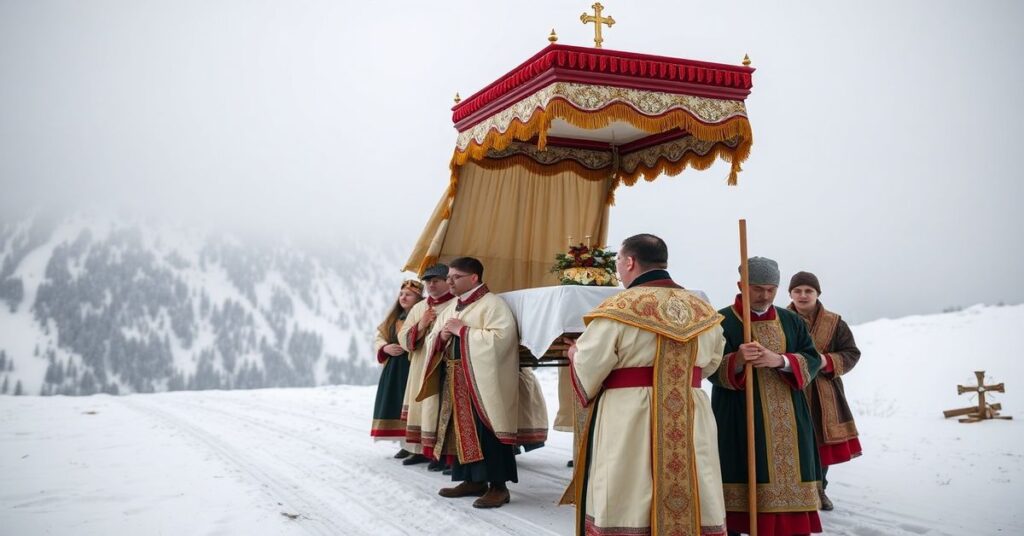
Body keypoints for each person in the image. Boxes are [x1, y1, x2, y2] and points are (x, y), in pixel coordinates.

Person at [561, 234, 728, 536]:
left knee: (629, 482)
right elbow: (713, 361)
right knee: (694, 478)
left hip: (630, 411)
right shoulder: (703, 310)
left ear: (630, 262)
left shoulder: (618, 307)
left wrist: (575, 354)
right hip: (690, 409)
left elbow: (592, 363)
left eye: (619, 263)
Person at [709, 256, 824, 536]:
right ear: (741, 285)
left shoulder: (792, 321)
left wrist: (781, 361)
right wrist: (735, 360)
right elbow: (705, 365)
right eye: (758, 288)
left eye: (772, 289)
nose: (765, 295)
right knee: (739, 478)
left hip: (789, 419)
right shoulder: (720, 321)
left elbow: (812, 359)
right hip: (738, 416)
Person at [417, 257, 522, 509]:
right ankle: (472, 480)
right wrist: (440, 336)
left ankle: (499, 487)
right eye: (449, 277)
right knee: (460, 432)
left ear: (473, 278)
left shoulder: (492, 304)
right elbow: (433, 338)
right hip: (455, 378)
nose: (449, 281)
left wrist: (463, 331)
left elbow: (502, 340)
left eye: (455, 277)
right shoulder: (454, 305)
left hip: (483, 383)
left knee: (488, 430)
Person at [787, 271, 862, 511]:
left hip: (823, 392)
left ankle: (820, 490)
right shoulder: (778, 319)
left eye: (808, 290)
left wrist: (825, 361)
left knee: (820, 442)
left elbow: (851, 353)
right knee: (790, 442)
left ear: (818, 294)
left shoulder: (834, 322)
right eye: (797, 291)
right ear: (790, 293)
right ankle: (794, 492)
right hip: (788, 389)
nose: (803, 295)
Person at [397, 264, 457, 468]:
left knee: (442, 408)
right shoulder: (419, 307)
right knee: (423, 408)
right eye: (428, 282)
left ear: (447, 282)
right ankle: (423, 450)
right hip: (421, 364)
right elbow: (403, 338)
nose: (431, 285)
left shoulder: (457, 303)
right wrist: (421, 325)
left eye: (436, 281)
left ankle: (444, 454)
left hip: (444, 364)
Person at [370, 279, 424, 459]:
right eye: (401, 294)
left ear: (418, 298)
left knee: (413, 404)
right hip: (395, 368)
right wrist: (385, 348)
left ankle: (418, 446)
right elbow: (380, 336)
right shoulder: (394, 318)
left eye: (409, 294)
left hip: (412, 365)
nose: (403, 297)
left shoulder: (422, 314)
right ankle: (406, 444)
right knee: (398, 403)